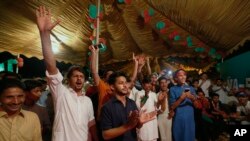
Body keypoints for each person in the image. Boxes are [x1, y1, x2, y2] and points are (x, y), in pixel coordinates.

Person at [36, 6, 98, 141]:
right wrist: (45, 34)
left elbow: (91, 123)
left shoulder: (87, 101)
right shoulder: (61, 93)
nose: (79, 79)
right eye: (75, 76)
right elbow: (51, 66)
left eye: (81, 76)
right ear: (68, 79)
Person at [100, 72, 157, 141]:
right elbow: (106, 135)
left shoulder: (132, 103)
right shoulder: (107, 107)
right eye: (121, 83)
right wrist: (127, 126)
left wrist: (140, 123)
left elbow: (136, 126)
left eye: (126, 83)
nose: (125, 85)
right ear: (112, 87)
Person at [169, 69, 200, 141]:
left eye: (184, 75)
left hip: (190, 119)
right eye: (180, 75)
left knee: (189, 137)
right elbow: (172, 107)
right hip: (179, 119)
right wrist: (181, 98)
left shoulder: (191, 89)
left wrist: (192, 98)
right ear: (176, 78)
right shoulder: (173, 89)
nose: (183, 77)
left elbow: (197, 106)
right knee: (179, 137)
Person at [157, 77, 172, 141]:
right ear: (159, 84)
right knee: (162, 137)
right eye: (161, 83)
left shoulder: (171, 92)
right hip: (160, 117)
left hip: (170, 115)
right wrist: (160, 100)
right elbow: (157, 108)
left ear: (167, 83)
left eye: (165, 82)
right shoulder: (157, 94)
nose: (164, 84)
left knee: (169, 135)